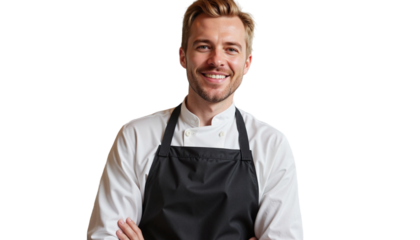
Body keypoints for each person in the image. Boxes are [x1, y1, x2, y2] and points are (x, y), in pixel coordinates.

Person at [85, 0, 304, 239]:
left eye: (231, 49)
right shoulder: (135, 136)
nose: (216, 60)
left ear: (247, 63)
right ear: (182, 57)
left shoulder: (273, 145)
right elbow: (105, 235)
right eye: (203, 46)